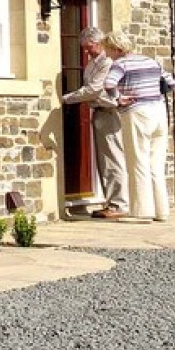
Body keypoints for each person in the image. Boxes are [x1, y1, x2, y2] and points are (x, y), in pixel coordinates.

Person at [103, 31, 175, 221]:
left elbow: (109, 84)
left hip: (138, 113)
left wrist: (119, 98)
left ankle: (141, 211)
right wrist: (153, 94)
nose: (107, 54)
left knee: (138, 162)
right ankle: (161, 211)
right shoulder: (151, 61)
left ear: (116, 48)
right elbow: (170, 82)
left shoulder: (121, 64)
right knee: (156, 165)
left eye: (108, 50)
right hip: (159, 112)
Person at [60, 27, 129, 218]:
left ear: (99, 43)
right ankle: (112, 202)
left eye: (89, 47)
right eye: (84, 48)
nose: (86, 51)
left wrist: (65, 98)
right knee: (104, 161)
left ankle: (118, 204)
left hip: (110, 112)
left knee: (112, 158)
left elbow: (94, 90)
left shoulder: (107, 63)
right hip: (98, 112)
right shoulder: (92, 63)